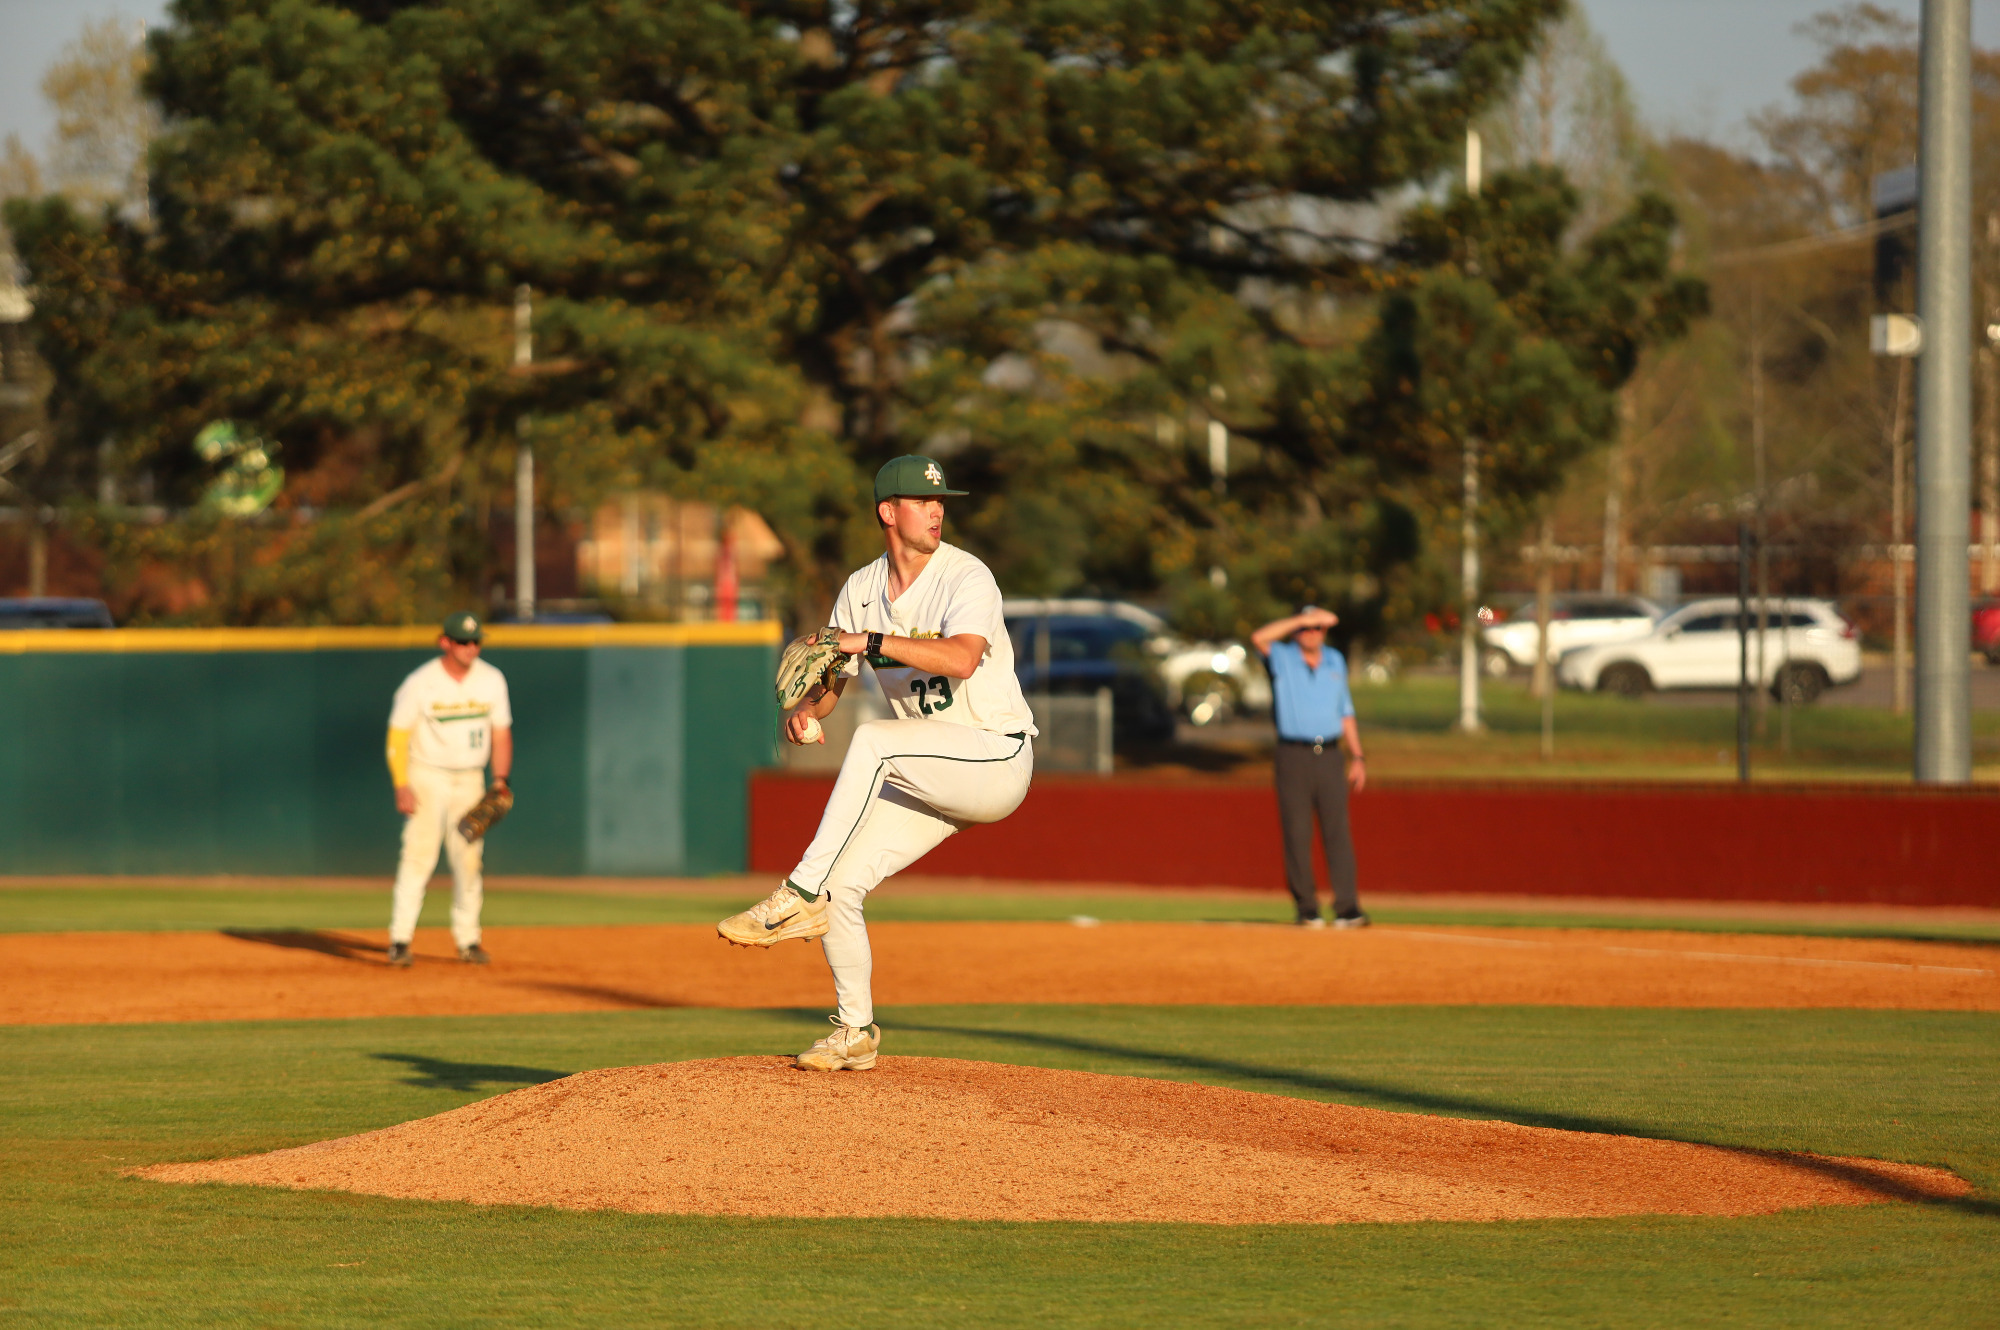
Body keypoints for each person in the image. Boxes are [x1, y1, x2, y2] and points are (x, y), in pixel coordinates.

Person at [718, 455, 1037, 1071]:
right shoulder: (860, 589)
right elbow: (834, 677)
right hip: (929, 768)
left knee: (875, 740)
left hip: (995, 755)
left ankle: (796, 892)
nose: (937, 508)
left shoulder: (968, 576)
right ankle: (854, 1030)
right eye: (922, 499)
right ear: (888, 512)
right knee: (844, 885)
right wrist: (809, 710)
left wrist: (864, 642)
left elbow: (963, 659)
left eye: (941, 500)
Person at [384, 612, 513, 968]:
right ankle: (400, 939)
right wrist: (401, 782)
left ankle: (468, 940)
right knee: (418, 856)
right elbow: (398, 735)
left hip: (470, 778)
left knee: (469, 861)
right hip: (427, 775)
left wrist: (500, 779)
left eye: (476, 641)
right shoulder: (421, 682)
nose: (471, 648)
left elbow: (500, 732)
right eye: (463, 641)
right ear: (445, 642)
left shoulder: (491, 680)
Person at [1251, 606, 1369, 929]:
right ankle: (1307, 907)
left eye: (1317, 628)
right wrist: (1301, 619)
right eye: (1306, 628)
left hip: (1329, 753)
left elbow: (1346, 711)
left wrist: (1357, 756)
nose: (1312, 633)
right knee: (1298, 832)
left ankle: (1347, 907)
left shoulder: (1335, 661)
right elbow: (1259, 637)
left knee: (1337, 832)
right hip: (1294, 754)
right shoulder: (1283, 657)